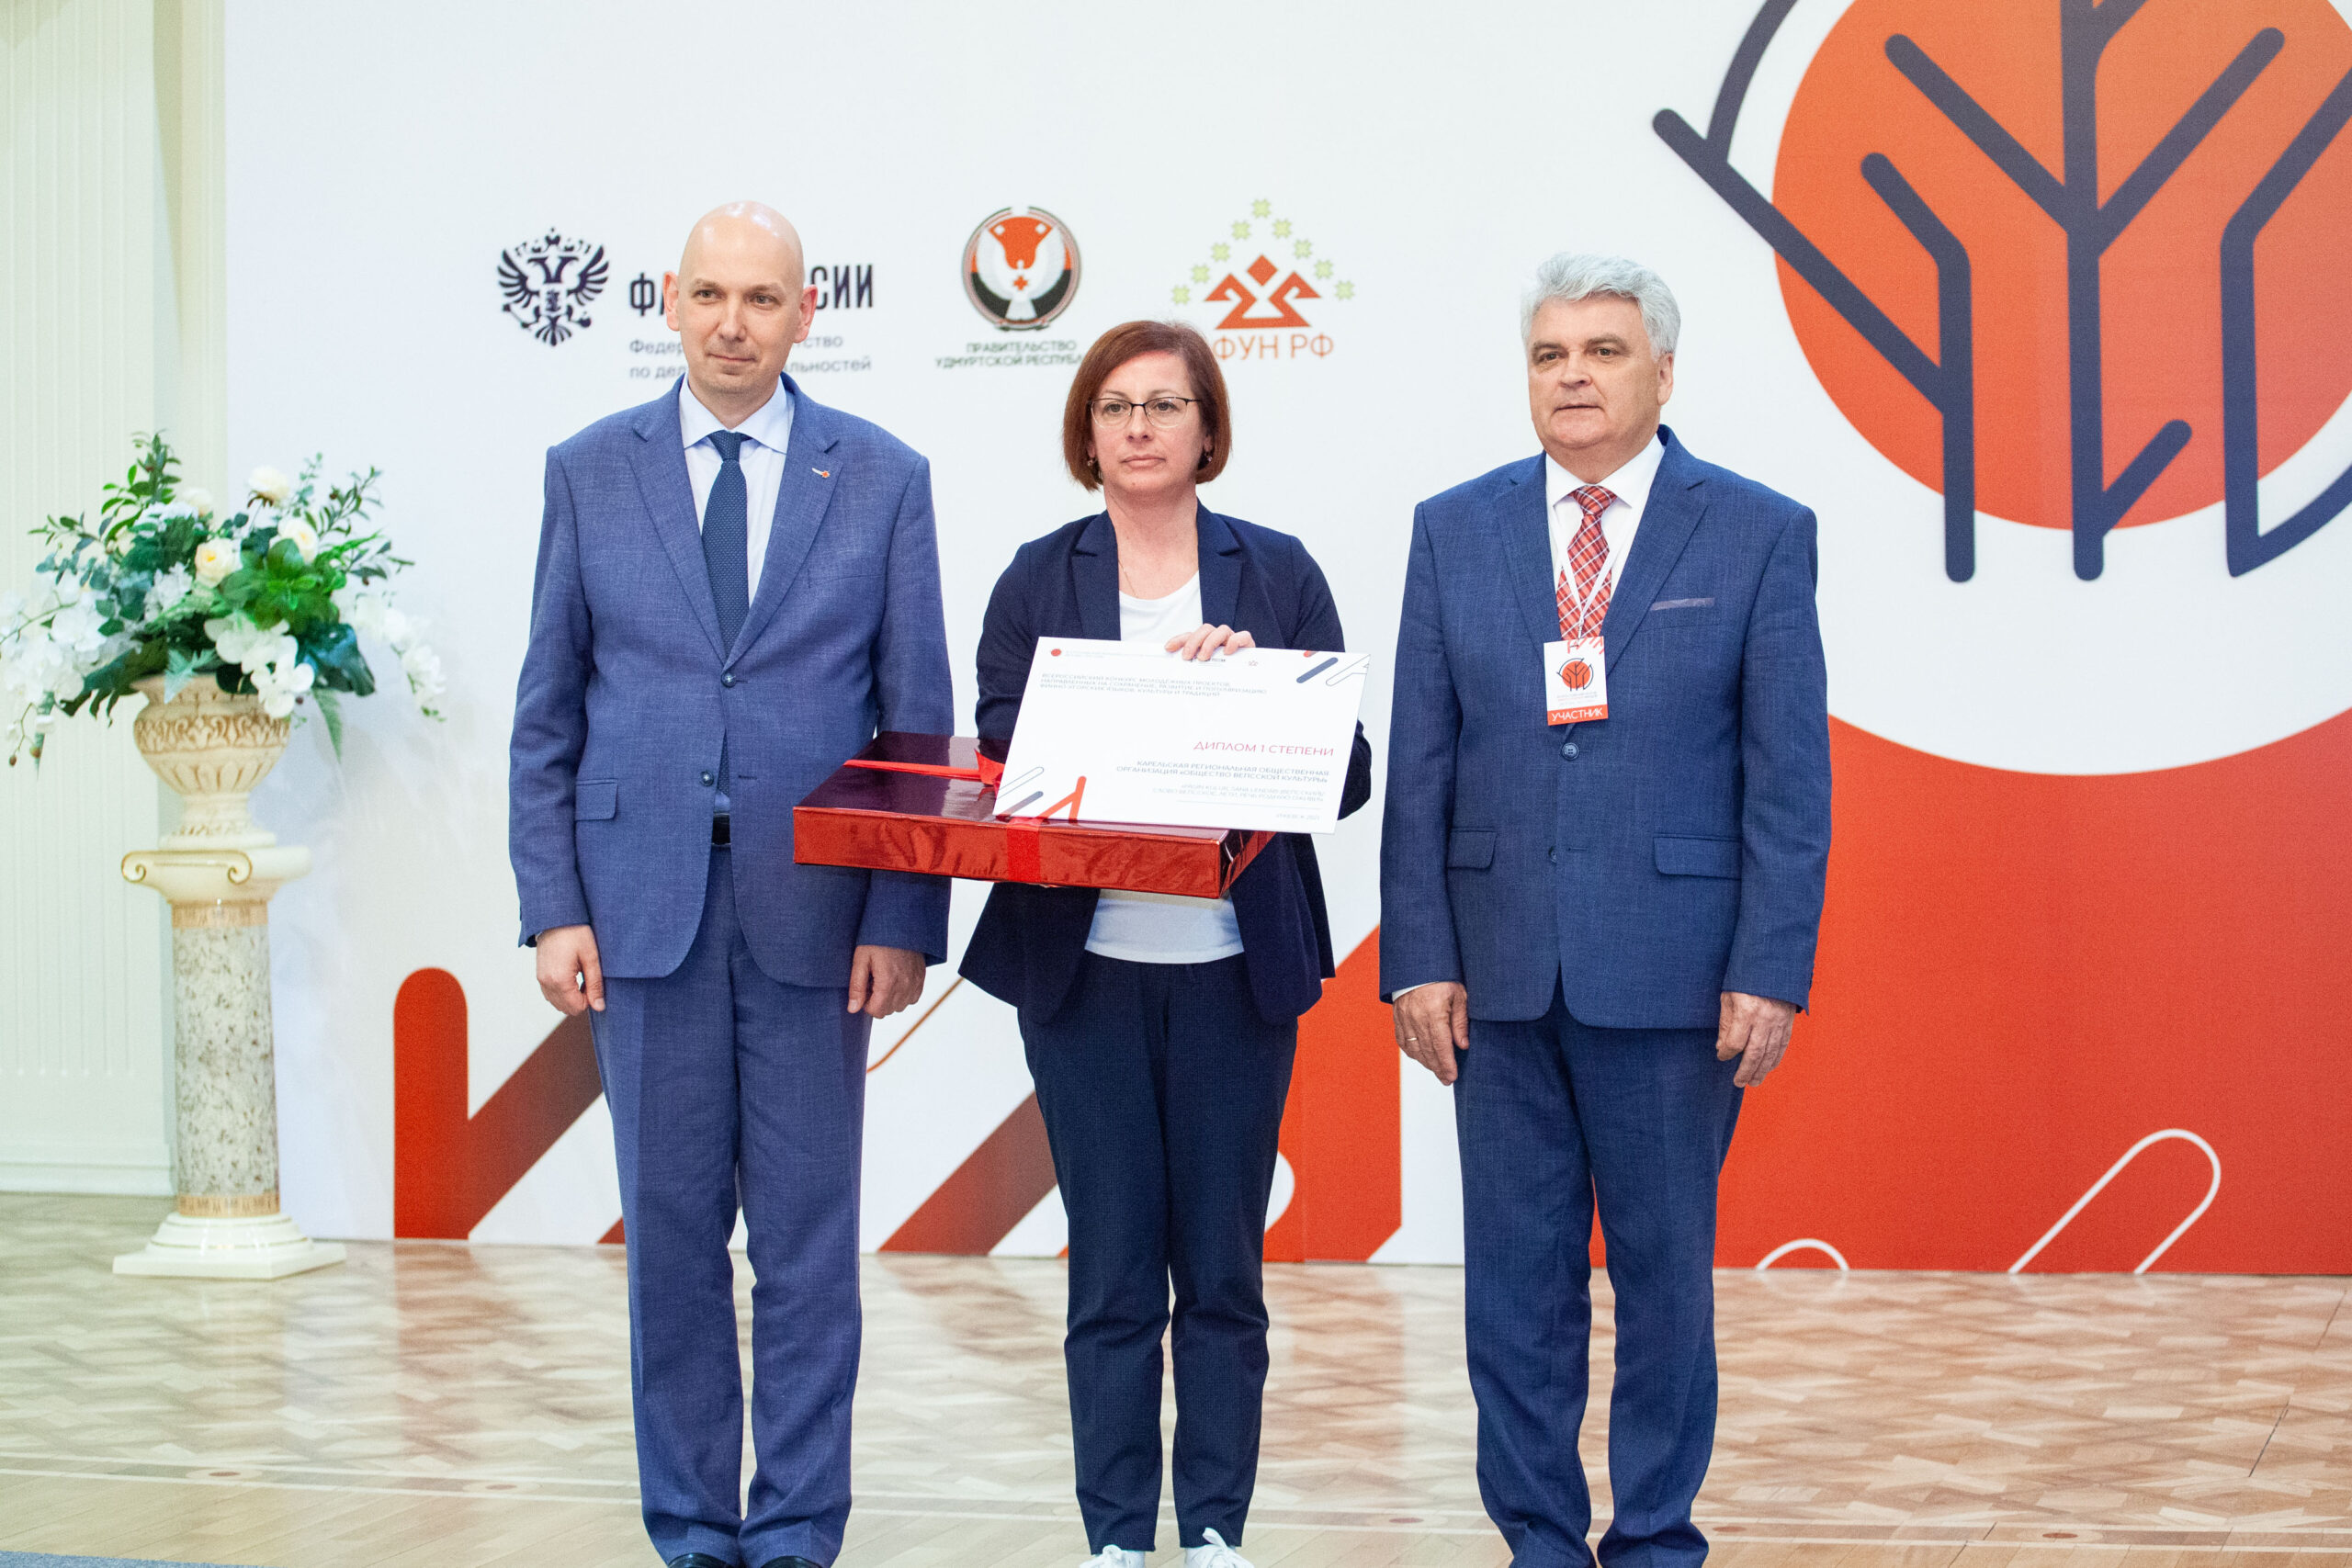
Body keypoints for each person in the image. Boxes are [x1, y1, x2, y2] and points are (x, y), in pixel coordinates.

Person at [508, 201, 950, 1568]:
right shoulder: (590, 471)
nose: (734, 323)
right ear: (669, 300)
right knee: (672, 1244)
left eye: (763, 299)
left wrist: (902, 915)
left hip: (819, 920)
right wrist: (553, 903)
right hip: (640, 919)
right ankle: (695, 1528)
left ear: (808, 313)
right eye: (710, 294)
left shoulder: (882, 477)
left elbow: (916, 726)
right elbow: (546, 714)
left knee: (808, 1246)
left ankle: (799, 1527)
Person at [1381, 254, 1831, 1567]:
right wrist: (1418, 956)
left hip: (1676, 977)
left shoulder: (1756, 531)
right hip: (1497, 977)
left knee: (1663, 1283)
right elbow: (1420, 762)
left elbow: (1787, 777)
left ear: (1664, 372)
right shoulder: (1453, 529)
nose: (1572, 376)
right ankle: (1536, 1538)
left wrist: (1770, 967)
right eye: (1549, 355)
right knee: (1514, 1288)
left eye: (1603, 351)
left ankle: (1652, 1539)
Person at [960, 320, 1374, 1568]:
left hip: (1235, 976)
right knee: (1111, 1270)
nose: (1139, 427)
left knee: (1224, 1272)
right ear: (1086, 435)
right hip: (1081, 975)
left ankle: (1213, 1528)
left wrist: (1248, 692)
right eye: (1115, 407)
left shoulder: (1277, 573)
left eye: (1165, 405)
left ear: (1208, 430)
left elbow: (1349, 772)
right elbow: (1004, 757)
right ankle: (1114, 1537)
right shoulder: (1038, 577)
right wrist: (1139, 707)